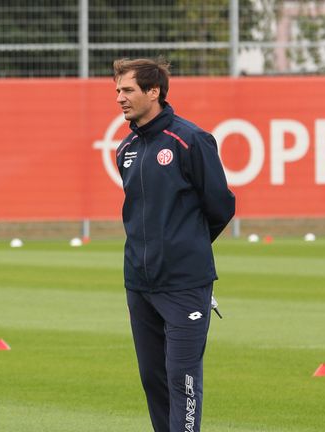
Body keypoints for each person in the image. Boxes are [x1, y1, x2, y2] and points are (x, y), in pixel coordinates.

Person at [113, 58, 235, 432]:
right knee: (154, 382)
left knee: (182, 381)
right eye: (117, 90)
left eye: (128, 90)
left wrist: (186, 246)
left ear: (154, 92)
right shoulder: (126, 148)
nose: (120, 98)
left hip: (184, 284)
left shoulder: (190, 140)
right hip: (140, 284)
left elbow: (221, 206)